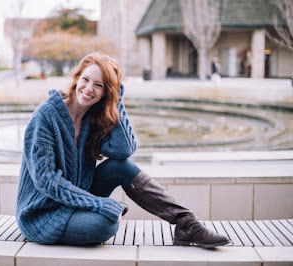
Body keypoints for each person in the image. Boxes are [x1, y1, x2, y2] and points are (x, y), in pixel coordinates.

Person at [16, 52, 230, 247]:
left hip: (78, 198)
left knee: (120, 166)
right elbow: (47, 181)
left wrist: (117, 101)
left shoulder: (94, 118)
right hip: (43, 213)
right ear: (77, 78)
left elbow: (124, 150)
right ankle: (98, 211)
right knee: (106, 225)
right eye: (86, 79)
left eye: (99, 85)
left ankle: (187, 224)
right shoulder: (46, 117)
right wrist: (100, 204)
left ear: (106, 93)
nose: (89, 88)